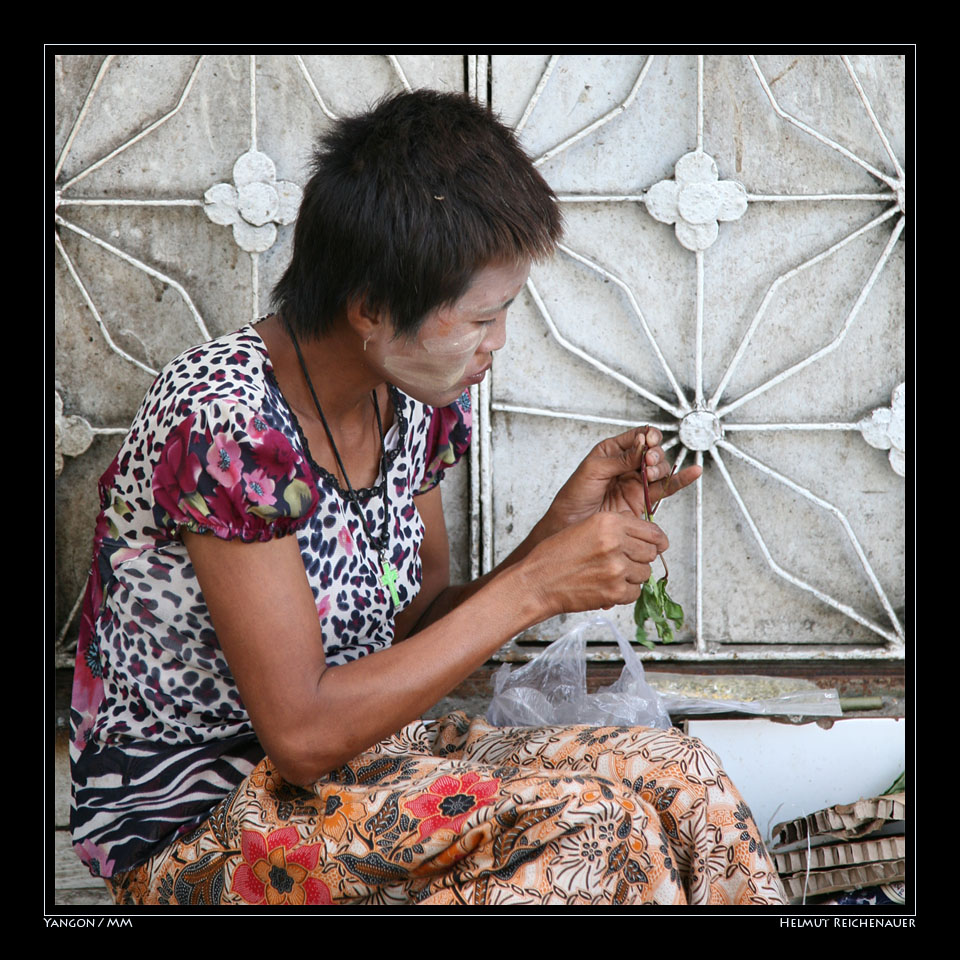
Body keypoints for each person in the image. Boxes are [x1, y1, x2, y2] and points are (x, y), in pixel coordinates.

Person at [69, 89, 786, 906]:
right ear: (371, 307)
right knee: (595, 829)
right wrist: (540, 585)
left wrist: (558, 535)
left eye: (507, 310)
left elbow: (412, 632)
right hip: (198, 818)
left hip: (366, 761)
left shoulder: (411, 400)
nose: (499, 342)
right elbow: (301, 736)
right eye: (482, 317)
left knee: (682, 775)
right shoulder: (224, 420)